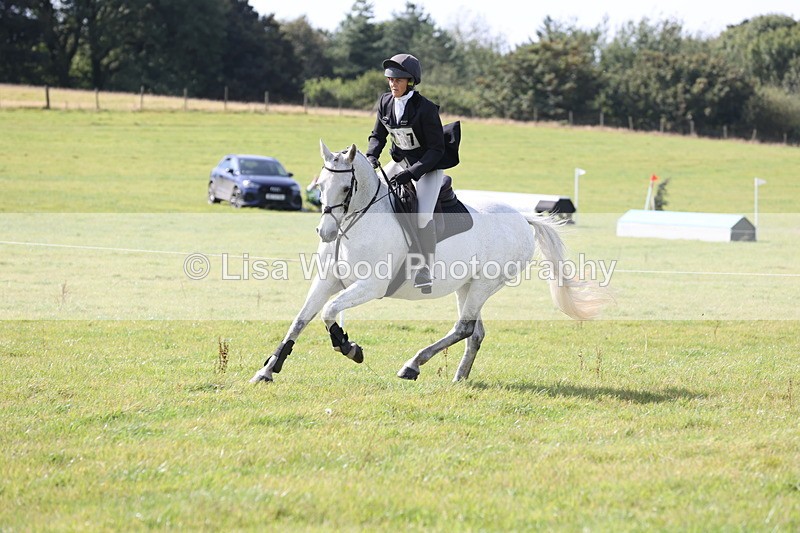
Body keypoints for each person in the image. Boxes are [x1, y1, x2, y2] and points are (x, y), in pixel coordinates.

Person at [365, 53, 445, 292]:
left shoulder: (426, 109)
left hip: (426, 168)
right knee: (373, 197)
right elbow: (378, 135)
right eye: (390, 79)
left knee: (422, 216)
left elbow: (437, 150)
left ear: (410, 82)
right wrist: (371, 155)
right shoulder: (385, 102)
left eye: (398, 80)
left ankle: (425, 269)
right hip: (400, 163)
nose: (393, 84)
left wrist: (413, 172)